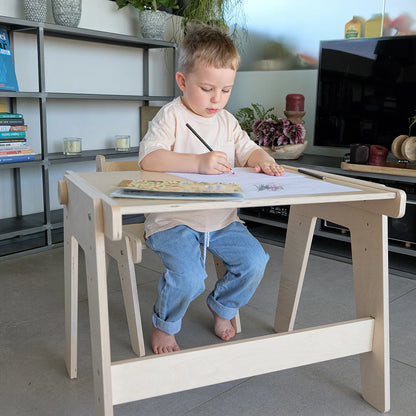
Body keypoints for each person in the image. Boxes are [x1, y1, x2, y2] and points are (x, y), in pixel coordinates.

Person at [139, 24, 285, 354]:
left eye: (226, 90)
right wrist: (198, 163)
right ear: (182, 81)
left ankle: (223, 306)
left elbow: (247, 149)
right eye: (207, 89)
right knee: (190, 277)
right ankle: (165, 324)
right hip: (173, 220)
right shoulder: (171, 116)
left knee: (255, 261)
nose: (216, 99)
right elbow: (149, 159)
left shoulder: (227, 121)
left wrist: (262, 157)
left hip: (221, 220)